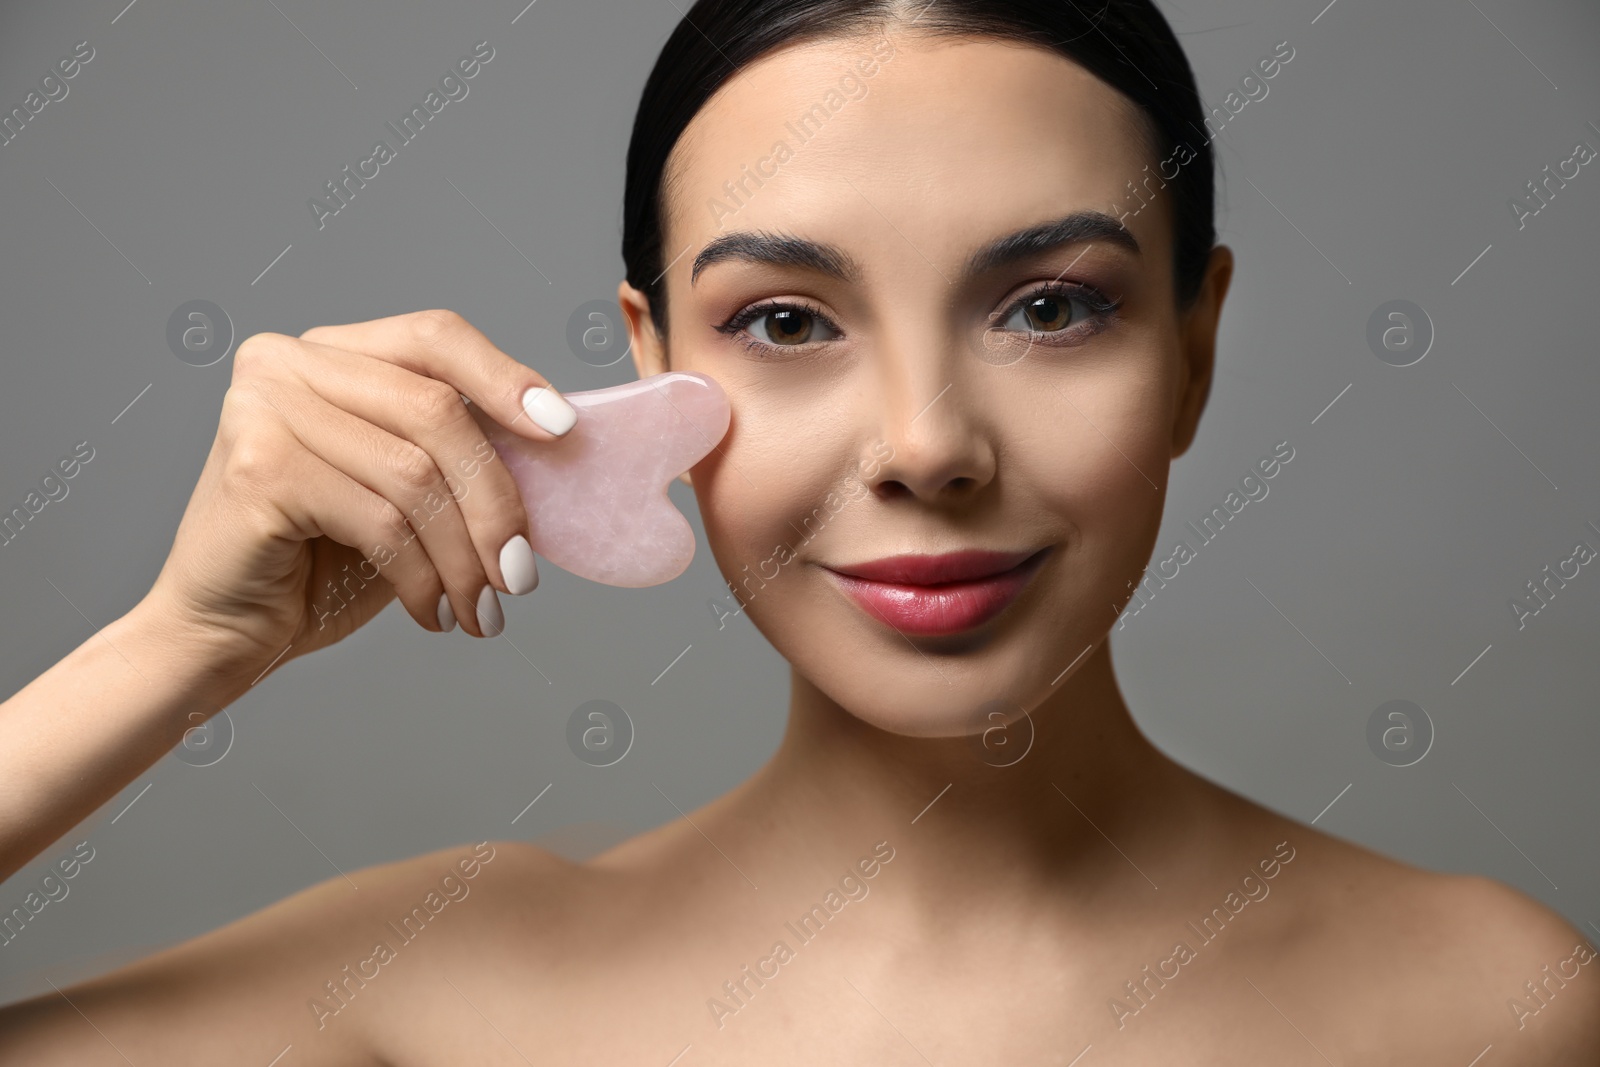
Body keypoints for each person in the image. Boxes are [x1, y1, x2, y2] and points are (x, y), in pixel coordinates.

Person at [3, 0, 1596, 1061]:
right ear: (647, 371)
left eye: (1050, 306)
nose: (924, 445)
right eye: (782, 320)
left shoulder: (1492, 1009)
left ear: (1194, 346)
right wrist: (179, 652)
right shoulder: (434, 995)